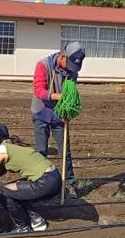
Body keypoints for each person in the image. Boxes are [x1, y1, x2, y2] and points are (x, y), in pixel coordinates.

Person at [0, 122, 62, 233]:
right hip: (54, 177)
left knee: (3, 192)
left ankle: (22, 227)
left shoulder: (1, 150)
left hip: (45, 181)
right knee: (15, 189)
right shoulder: (14, 145)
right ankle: (37, 220)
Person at [31, 41, 85, 194]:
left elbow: (71, 95)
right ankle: (40, 180)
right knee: (41, 150)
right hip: (41, 113)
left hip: (60, 116)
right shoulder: (43, 65)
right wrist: (59, 97)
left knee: (64, 151)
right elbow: (39, 91)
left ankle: (68, 182)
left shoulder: (73, 73)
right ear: (62, 56)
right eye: (68, 64)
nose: (70, 69)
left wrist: (67, 110)